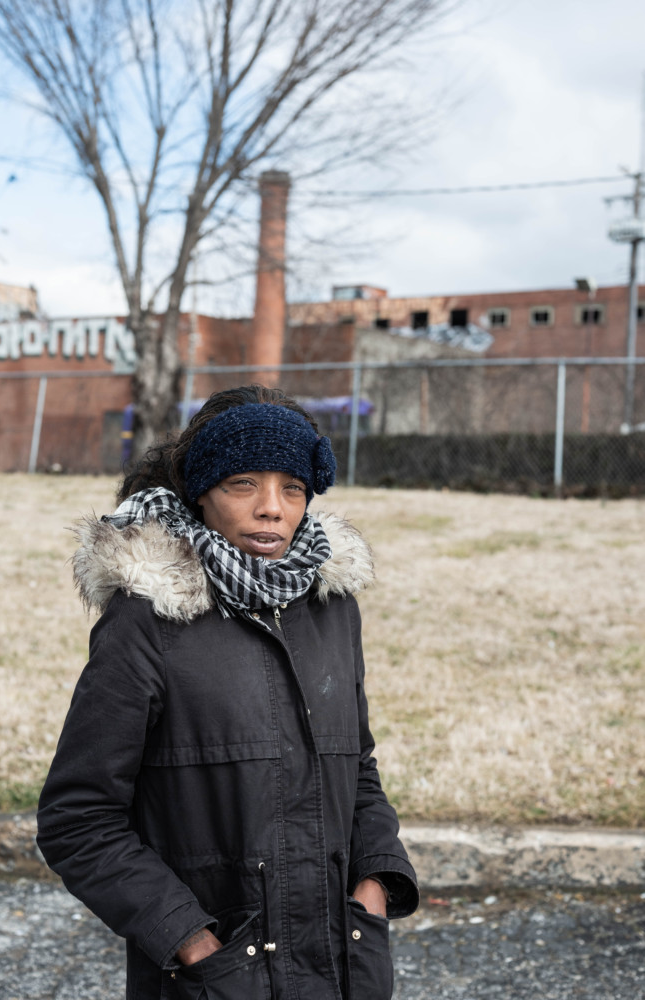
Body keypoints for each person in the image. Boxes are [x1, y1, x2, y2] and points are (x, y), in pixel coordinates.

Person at [36, 384, 419, 1000]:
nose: (272, 508)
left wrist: (373, 887)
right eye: (244, 483)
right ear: (201, 490)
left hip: (343, 972)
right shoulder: (147, 620)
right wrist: (193, 942)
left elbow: (359, 771)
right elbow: (78, 818)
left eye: (292, 487)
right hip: (214, 981)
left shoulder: (332, 608)